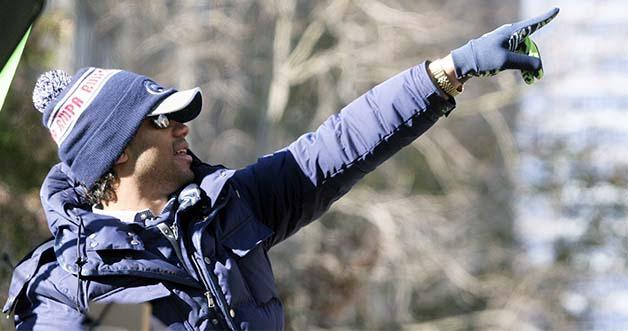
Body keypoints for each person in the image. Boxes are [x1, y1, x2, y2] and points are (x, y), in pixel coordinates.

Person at [3, 8, 559, 330]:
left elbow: (336, 147)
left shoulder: (229, 209)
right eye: (162, 120)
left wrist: (447, 71)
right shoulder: (64, 294)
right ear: (116, 152)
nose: (183, 129)